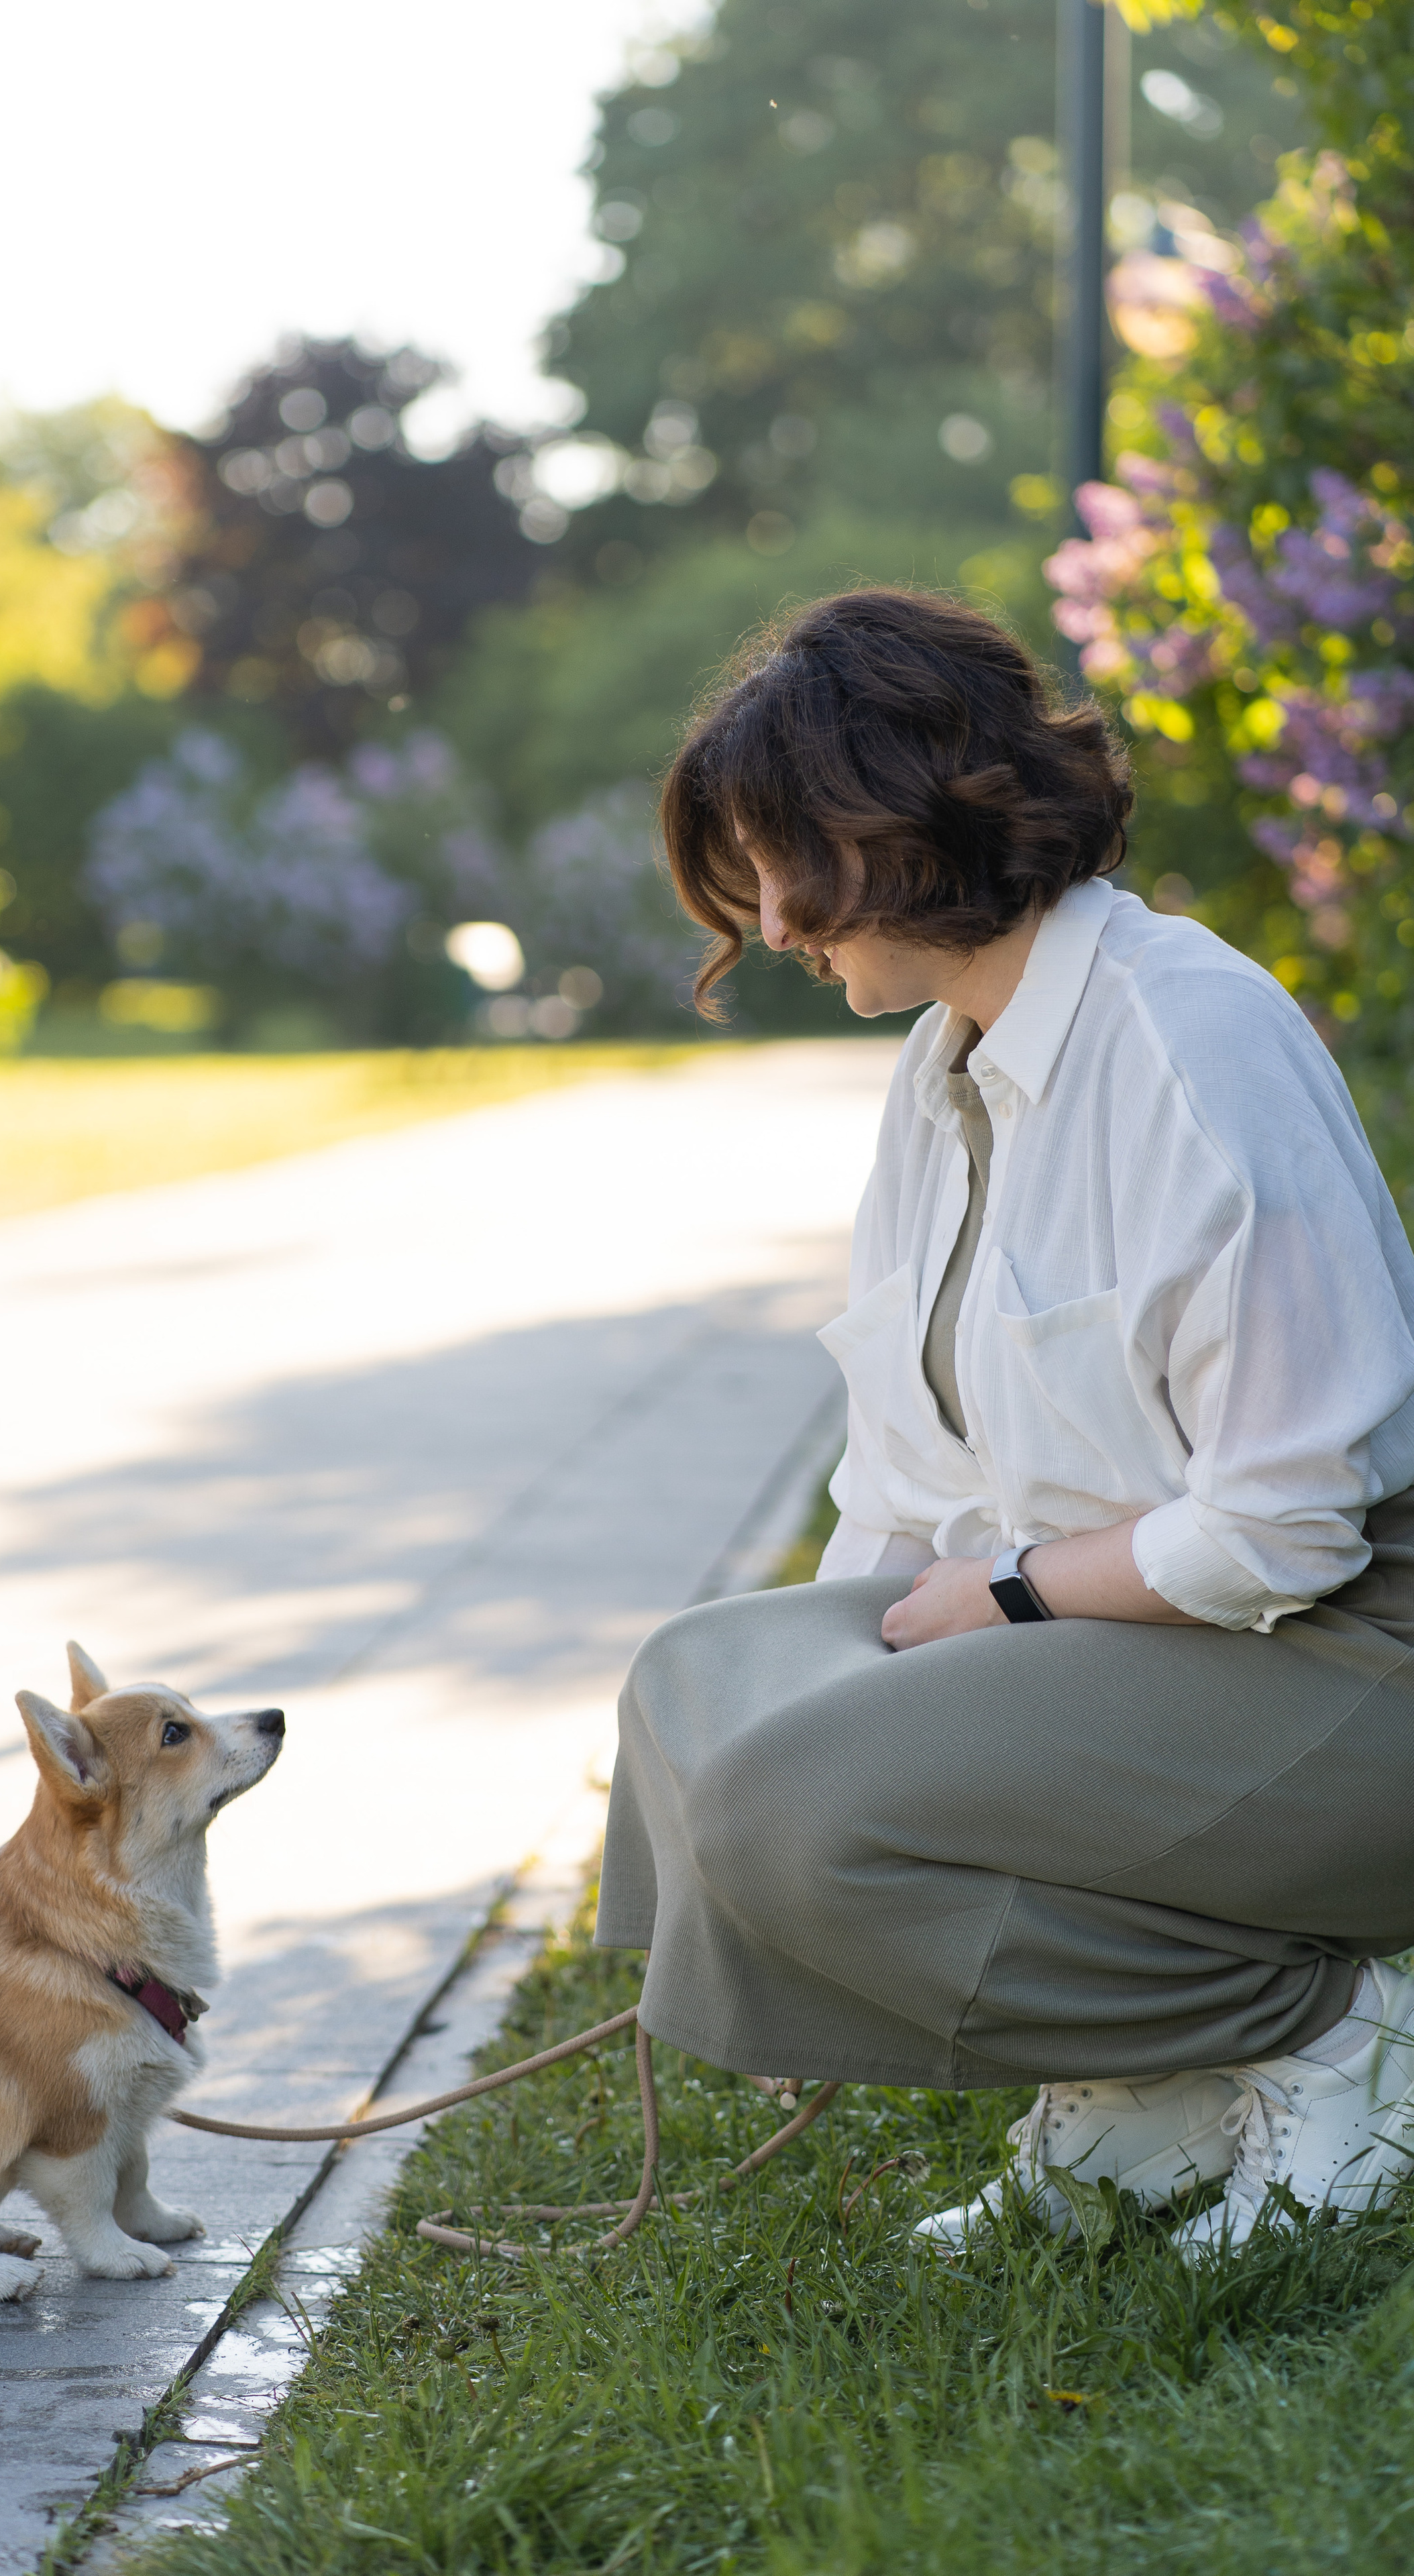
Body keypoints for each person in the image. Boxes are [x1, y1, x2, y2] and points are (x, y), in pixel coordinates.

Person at [595, 588, 1414, 2257]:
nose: (758, 920)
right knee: (698, 1696)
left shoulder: (1186, 1041)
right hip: (1151, 1639)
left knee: (787, 1810)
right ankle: (1150, 2080)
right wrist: (835, 1657)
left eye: (772, 860)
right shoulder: (948, 1061)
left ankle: (1326, 2028)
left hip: (1343, 1650)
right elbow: (909, 1463)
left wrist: (1005, 1604)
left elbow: (1283, 1524)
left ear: (889, 826)